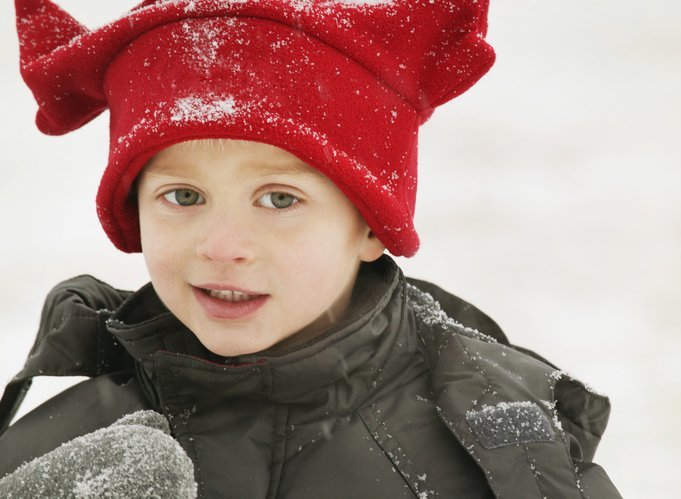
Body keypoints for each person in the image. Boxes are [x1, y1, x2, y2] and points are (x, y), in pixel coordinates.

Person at [0, 0, 621, 497]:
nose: (222, 246)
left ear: (372, 225)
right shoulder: (66, 454)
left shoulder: (502, 451)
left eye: (279, 200)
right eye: (184, 197)